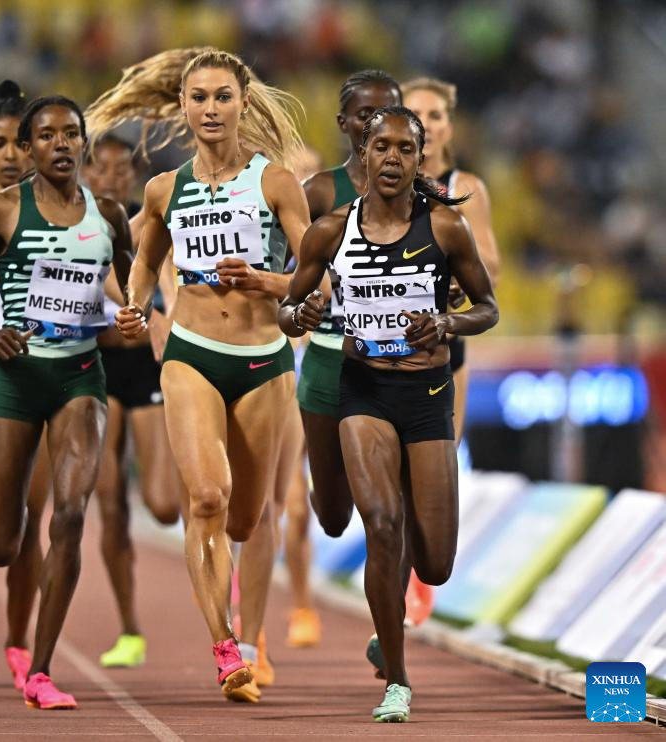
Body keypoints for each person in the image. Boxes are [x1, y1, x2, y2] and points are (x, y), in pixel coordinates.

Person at [90, 47, 310, 702]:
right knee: (207, 498)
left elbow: (314, 276)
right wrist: (136, 307)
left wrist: (264, 280)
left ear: (243, 103)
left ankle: (249, 634)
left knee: (246, 518)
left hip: (262, 359)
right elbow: (138, 258)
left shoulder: (275, 183)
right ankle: (224, 648)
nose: (210, 109)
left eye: (222, 96)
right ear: (182, 107)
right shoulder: (164, 189)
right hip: (191, 354)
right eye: (198, 98)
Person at [280, 106, 498, 722]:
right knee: (380, 521)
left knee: (435, 562)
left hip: (427, 397)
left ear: (419, 159)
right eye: (382, 147)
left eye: (406, 148)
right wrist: (300, 316)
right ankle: (396, 680)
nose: (393, 159)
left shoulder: (446, 227)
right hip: (363, 390)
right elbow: (288, 308)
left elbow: (488, 308)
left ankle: (395, 623)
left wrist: (447, 323)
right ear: (365, 154)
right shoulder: (330, 230)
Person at [0, 95, 135, 710]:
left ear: (83, 143)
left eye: (71, 133)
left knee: (69, 516)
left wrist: (133, 315)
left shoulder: (108, 214)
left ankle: (41, 671)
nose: (61, 144)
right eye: (46, 135)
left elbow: (132, 287)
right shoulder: (1, 211)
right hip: (16, 380)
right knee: (3, 545)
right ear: (27, 148)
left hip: (80, 379)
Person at [81, 133, 183, 669]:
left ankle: (207, 502)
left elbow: (159, 278)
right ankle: (129, 630)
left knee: (163, 505)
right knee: (110, 502)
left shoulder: (153, 223)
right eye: (101, 167)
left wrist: (164, 313)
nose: (112, 177)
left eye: (122, 169)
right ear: (85, 173)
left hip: (145, 365)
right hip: (96, 365)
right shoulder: (75, 225)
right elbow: (105, 283)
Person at [0, 78, 54, 692]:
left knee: (32, 513)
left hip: (33, 368)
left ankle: (19, 637)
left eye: (17, 145)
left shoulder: (53, 206)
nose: (9, 155)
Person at [299, 70, 401, 540]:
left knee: (390, 512)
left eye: (388, 113)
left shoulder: (426, 194)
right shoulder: (320, 191)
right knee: (335, 517)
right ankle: (321, 494)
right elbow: (284, 272)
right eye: (365, 115)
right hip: (329, 362)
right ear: (343, 122)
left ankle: (394, 587)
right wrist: (309, 294)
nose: (378, 124)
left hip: (399, 362)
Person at [401, 77, 501, 444]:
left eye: (435, 115)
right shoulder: (373, 184)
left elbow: (490, 267)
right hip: (380, 346)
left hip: (442, 348)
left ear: (450, 127)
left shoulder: (464, 188)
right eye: (415, 114)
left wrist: (456, 279)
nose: (425, 124)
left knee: (440, 468)